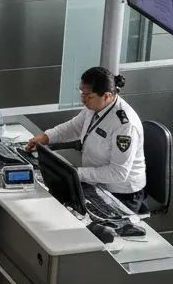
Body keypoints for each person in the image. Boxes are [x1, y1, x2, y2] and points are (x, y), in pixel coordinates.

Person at [25, 67, 147, 210]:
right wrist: (46, 137)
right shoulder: (95, 105)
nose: (83, 100)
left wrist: (76, 174)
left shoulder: (125, 126)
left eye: (88, 96)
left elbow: (118, 173)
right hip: (96, 182)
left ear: (107, 96)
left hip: (122, 194)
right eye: (82, 93)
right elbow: (75, 126)